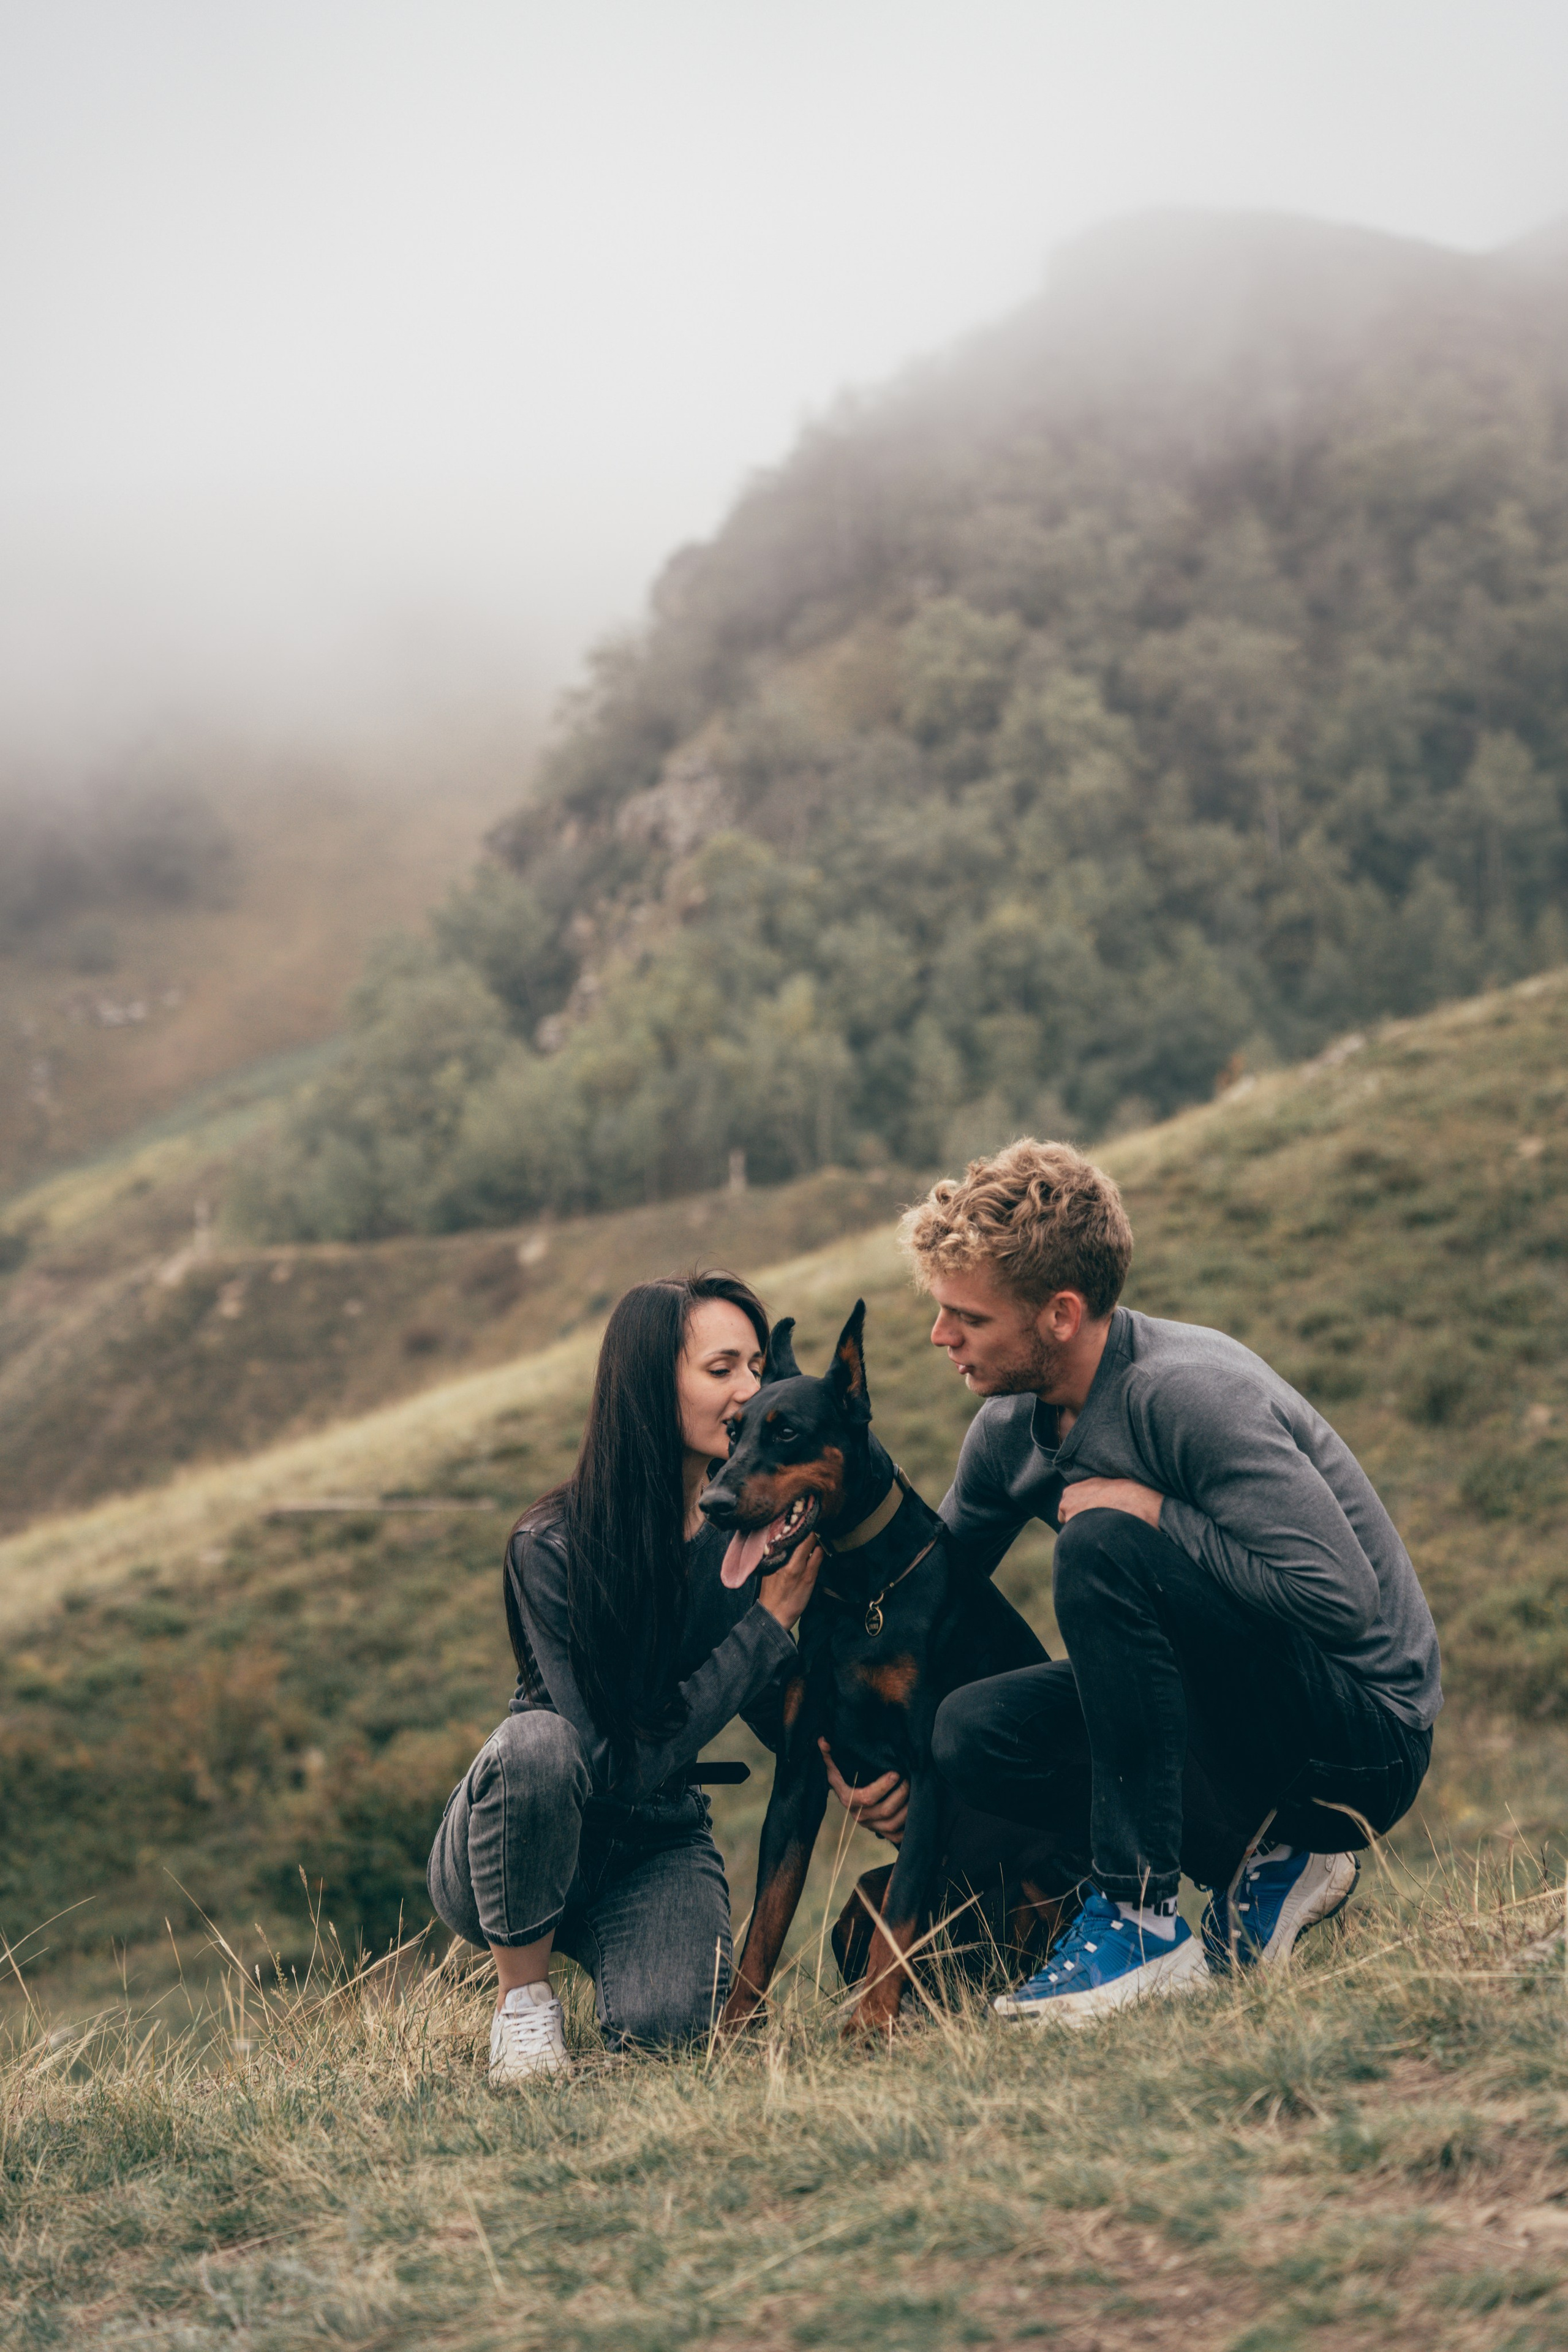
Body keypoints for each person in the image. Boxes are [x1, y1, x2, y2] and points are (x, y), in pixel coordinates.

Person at [875, 1136, 1441, 2027]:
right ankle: (1268, 1857)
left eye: (967, 1318)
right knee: (973, 1731)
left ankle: (1138, 1920)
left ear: (1059, 1314)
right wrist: (859, 1742)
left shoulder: (1187, 1395)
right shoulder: (1008, 1433)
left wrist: (1157, 1514)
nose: (940, 1336)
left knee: (1101, 1542)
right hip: (1229, 1722)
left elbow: (1342, 1598)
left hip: (1362, 1741)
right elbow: (933, 1592)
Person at [426, 1270, 820, 2082]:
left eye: (755, 1367)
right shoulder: (551, 1544)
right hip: (523, 1836)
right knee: (540, 1745)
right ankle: (523, 2007)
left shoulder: (749, 1546)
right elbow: (605, 1764)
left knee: (670, 2032)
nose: (750, 1390)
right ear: (650, 1385)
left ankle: (622, 1974)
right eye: (721, 1371)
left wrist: (869, 1772)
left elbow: (787, 1711)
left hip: (658, 1842)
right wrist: (766, 1631)